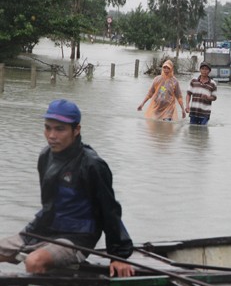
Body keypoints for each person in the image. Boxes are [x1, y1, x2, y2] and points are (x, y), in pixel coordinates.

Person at [0, 99, 135, 277]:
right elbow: (49, 205)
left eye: (60, 129)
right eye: (48, 128)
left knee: (34, 261)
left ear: (76, 130)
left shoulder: (92, 164)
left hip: (78, 236)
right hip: (44, 230)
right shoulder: (45, 156)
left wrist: (118, 255)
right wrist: (31, 233)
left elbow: (109, 210)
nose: (51, 135)